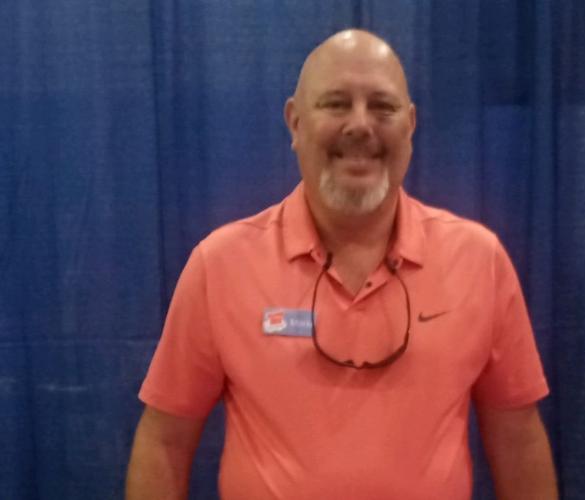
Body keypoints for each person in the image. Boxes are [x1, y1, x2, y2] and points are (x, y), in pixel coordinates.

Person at [126, 29, 557, 500]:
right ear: (294, 123)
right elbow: (164, 442)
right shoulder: (220, 265)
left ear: (410, 125)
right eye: (335, 104)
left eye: (382, 107)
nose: (360, 125)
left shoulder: (480, 260)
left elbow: (518, 441)